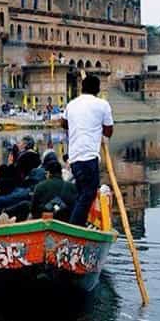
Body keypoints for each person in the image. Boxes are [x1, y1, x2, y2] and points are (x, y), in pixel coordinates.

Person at [61, 75, 113, 225]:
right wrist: (99, 130)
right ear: (97, 89)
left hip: (74, 157)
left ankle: (79, 223)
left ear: (82, 88)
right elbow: (109, 131)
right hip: (89, 156)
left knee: (81, 193)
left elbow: (64, 123)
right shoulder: (102, 105)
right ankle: (75, 227)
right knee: (88, 194)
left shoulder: (72, 104)